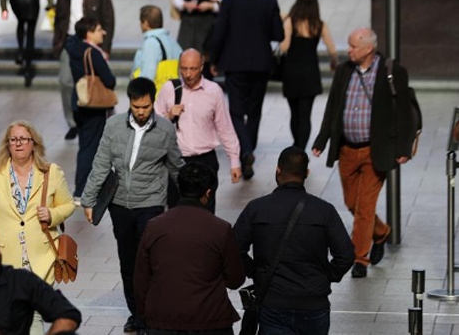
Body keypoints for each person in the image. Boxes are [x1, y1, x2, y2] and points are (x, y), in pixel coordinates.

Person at [81, 77, 183, 334]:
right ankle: (136, 313)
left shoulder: (165, 130)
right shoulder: (113, 126)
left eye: (146, 107)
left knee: (148, 260)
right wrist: (88, 199)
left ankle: (149, 315)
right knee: (128, 261)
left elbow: (176, 167)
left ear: (152, 103)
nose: (140, 112)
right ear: (130, 102)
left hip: (151, 203)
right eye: (137, 106)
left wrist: (193, 201)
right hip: (120, 205)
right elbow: (101, 163)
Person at [311, 28, 414, 278]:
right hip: (347, 148)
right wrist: (322, 139)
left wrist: (403, 148)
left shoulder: (392, 72)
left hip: (375, 150)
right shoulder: (345, 71)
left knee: (365, 206)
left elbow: (404, 112)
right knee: (351, 203)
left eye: (353, 46)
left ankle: (359, 259)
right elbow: (333, 106)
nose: (349, 50)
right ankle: (380, 232)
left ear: (368, 49)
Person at [234, 147, 354, 333]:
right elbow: (346, 254)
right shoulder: (324, 210)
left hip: (272, 301)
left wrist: (255, 272)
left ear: (278, 170)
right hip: (313, 303)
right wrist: (327, 275)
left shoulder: (256, 208)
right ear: (306, 173)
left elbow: (235, 248)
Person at [0, 121, 76, 334]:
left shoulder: (51, 172)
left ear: (34, 143)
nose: (19, 143)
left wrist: (52, 214)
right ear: (7, 145)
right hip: (6, 255)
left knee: (34, 312)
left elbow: (68, 204)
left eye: (24, 139)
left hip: (42, 256)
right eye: (14, 139)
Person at [134, 162, 245, 334]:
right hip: (210, 319)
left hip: (162, 319)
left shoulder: (154, 226)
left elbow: (141, 278)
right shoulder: (221, 229)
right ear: (208, 193)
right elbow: (235, 279)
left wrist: (146, 317)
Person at [210, 0, 284, 180]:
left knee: (235, 111)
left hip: (234, 63)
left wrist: (214, 59)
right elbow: (278, 34)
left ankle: (246, 150)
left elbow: (220, 31)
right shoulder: (269, 0)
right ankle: (248, 150)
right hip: (261, 64)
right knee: (254, 110)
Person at [155, 49, 242, 213]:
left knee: (205, 212)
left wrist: (234, 161)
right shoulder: (169, 89)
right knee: (176, 212)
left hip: (206, 160)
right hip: (177, 161)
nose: (188, 74)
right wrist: (168, 115)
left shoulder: (213, 91)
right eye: (184, 68)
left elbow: (224, 127)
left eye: (193, 69)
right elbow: (153, 125)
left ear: (202, 67)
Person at [52, 0, 114, 141]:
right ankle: (73, 123)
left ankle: (105, 118)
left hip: (92, 43)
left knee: (97, 81)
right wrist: (58, 42)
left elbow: (109, 20)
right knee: (65, 81)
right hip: (70, 41)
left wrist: (106, 47)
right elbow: (59, 19)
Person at [280, 0, 338, 151]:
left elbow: (284, 46)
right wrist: (334, 63)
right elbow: (332, 50)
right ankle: (301, 148)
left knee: (294, 113)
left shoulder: (291, 22)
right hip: (310, 72)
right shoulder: (320, 25)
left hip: (291, 71)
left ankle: (296, 144)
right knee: (306, 114)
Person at [66, 17, 116, 199]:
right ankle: (81, 190)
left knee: (85, 145)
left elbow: (69, 38)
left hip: (79, 103)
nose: (103, 32)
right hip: (94, 106)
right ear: (89, 33)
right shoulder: (93, 53)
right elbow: (110, 80)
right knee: (90, 148)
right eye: (98, 29)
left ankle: (84, 188)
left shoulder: (74, 48)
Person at [131, 5, 182, 87]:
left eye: (141, 22)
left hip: (157, 95)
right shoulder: (171, 40)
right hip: (172, 91)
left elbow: (148, 74)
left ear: (146, 23)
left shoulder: (151, 43)